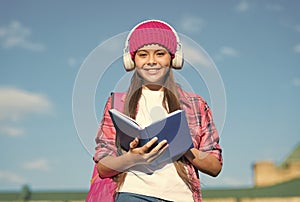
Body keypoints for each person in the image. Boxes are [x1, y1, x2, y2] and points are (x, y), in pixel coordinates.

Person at [93, 19, 222, 202]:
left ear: (173, 57)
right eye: (143, 55)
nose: (151, 61)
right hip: (133, 194)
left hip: (181, 197)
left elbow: (214, 167)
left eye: (160, 53)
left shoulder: (196, 104)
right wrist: (131, 158)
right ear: (132, 60)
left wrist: (185, 147)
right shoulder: (117, 104)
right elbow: (103, 167)